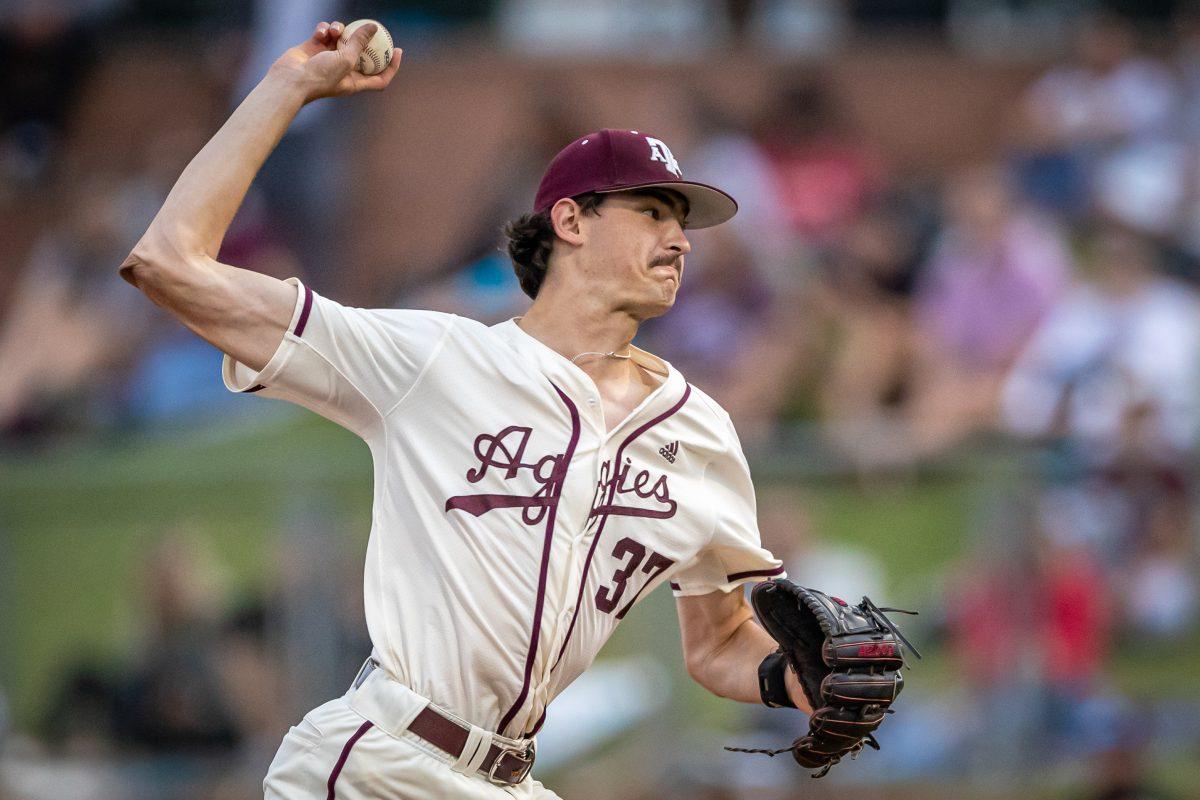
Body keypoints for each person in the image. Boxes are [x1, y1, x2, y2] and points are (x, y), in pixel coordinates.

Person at [119, 21, 809, 799]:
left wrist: (795, 677)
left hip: (510, 779)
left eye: (683, 221)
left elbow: (716, 644)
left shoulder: (700, 432)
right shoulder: (436, 361)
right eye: (653, 211)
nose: (679, 239)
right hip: (381, 764)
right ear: (572, 222)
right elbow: (168, 262)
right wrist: (287, 86)